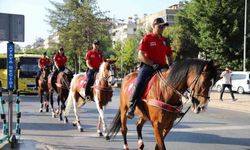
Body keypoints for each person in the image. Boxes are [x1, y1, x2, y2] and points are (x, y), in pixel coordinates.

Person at [126, 17, 174, 119]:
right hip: (148, 66)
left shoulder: (165, 40)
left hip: (162, 67)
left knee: (174, 82)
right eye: (160, 26)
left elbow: (169, 55)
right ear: (153, 26)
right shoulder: (147, 38)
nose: (162, 28)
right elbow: (140, 55)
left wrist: (172, 67)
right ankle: (132, 106)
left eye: (163, 26)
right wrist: (152, 64)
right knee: (139, 82)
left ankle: (175, 107)